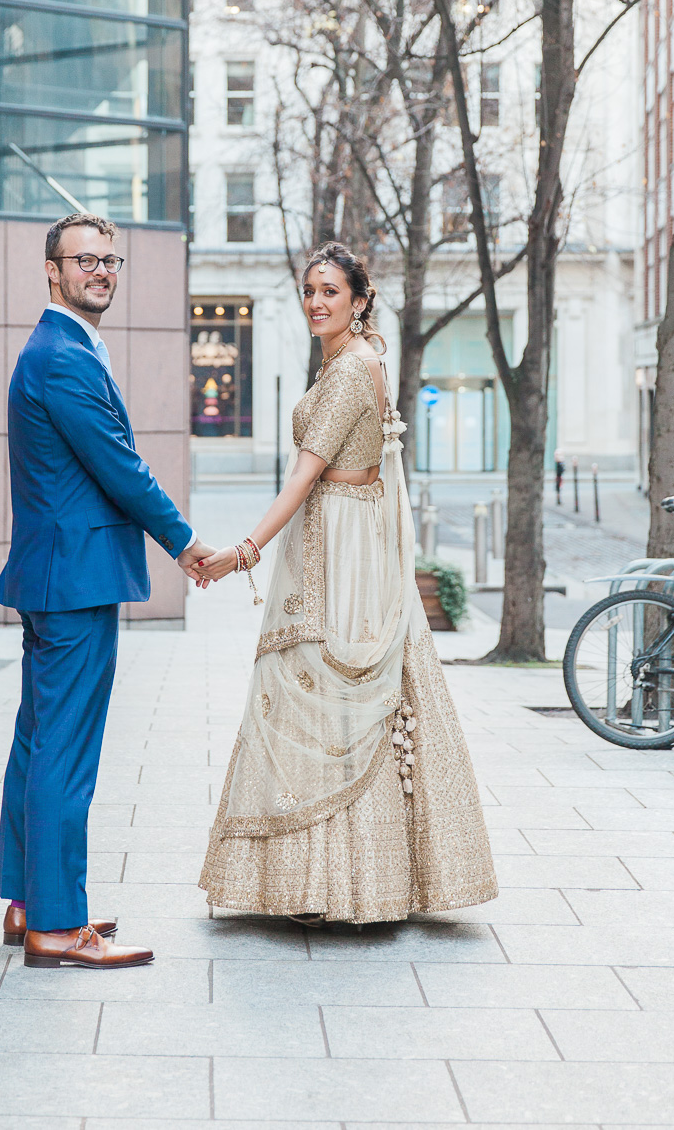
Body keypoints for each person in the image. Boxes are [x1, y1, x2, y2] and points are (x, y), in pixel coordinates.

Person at [196, 242, 497, 924]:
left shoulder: (350, 372)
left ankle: (333, 884)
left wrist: (244, 551)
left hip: (340, 547)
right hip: (342, 534)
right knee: (324, 694)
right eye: (309, 290)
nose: (316, 302)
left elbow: (305, 474)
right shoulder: (356, 361)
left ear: (360, 300)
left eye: (330, 291)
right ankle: (334, 878)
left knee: (324, 691)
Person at [0, 212, 215, 969]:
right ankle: (58, 925)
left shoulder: (65, 348)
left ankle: (31, 903)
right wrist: (184, 542)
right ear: (51, 271)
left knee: (39, 742)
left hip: (60, 574)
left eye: (110, 260)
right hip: (74, 579)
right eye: (84, 259)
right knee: (65, 752)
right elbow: (118, 464)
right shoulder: (62, 356)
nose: (100, 271)